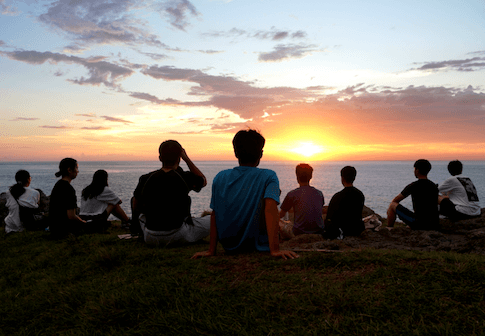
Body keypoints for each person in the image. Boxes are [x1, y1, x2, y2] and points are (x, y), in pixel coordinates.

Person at [192, 129, 298, 260]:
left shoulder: (220, 177)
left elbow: (215, 213)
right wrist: (275, 250)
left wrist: (211, 250)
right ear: (261, 154)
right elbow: (270, 209)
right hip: (257, 244)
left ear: (236, 153)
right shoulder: (269, 176)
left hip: (230, 245)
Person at [131, 140, 210, 246]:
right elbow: (203, 180)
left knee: (136, 200)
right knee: (212, 219)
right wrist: (186, 158)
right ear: (179, 158)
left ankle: (136, 231)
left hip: (150, 236)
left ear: (160, 158)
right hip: (177, 234)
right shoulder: (184, 177)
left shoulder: (146, 178)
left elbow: (136, 206)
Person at [387, 159, 439, 230]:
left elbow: (396, 200)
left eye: (414, 169)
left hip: (419, 223)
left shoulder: (413, 186)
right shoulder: (434, 186)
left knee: (393, 205)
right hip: (434, 223)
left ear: (417, 170)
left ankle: (389, 228)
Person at [279, 163, 325, 239]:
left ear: (297, 176)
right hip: (319, 231)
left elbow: (281, 215)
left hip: (298, 233)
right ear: (311, 176)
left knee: (279, 222)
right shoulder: (319, 193)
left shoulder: (292, 194)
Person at [49, 158, 87, 238]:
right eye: (76, 168)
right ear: (69, 170)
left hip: (54, 228)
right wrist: (83, 223)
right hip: (63, 230)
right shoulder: (69, 189)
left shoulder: (58, 185)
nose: (78, 171)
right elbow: (71, 216)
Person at [324, 166, 365, 239]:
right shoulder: (360, 195)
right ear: (354, 178)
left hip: (341, 230)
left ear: (342, 178)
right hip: (356, 229)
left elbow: (329, 217)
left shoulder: (337, 197)